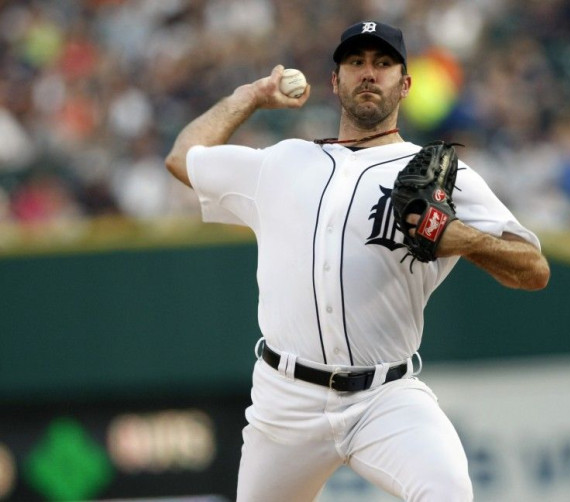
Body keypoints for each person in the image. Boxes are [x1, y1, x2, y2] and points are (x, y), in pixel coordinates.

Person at [166, 20, 549, 502]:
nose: (369, 73)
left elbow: (534, 270)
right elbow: (183, 158)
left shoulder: (438, 174)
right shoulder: (282, 163)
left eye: (384, 63)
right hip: (285, 402)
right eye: (356, 62)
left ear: (405, 84)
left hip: (384, 397)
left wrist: (464, 238)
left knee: (448, 492)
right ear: (336, 80)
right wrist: (251, 96)